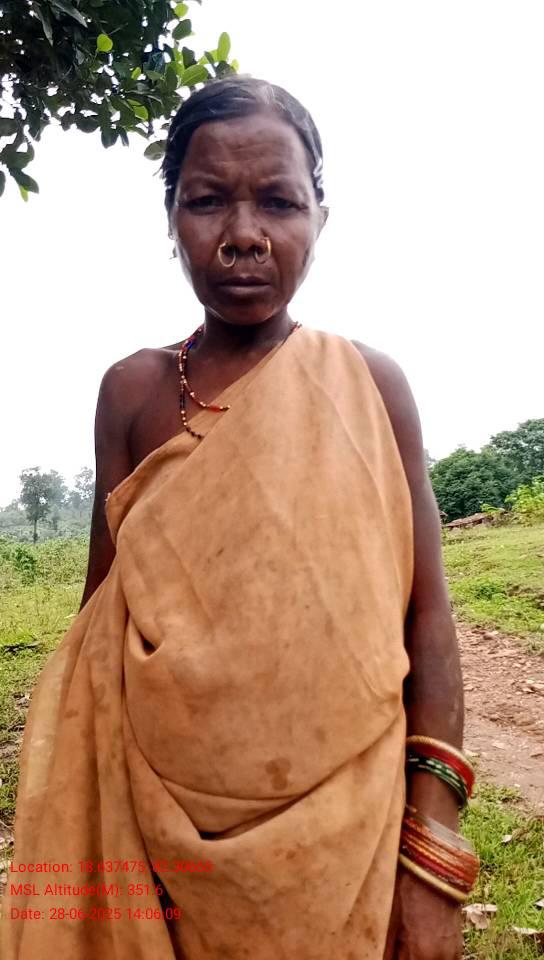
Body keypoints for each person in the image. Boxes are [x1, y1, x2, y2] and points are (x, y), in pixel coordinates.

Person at [3, 76, 478, 960]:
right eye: (207, 201)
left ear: (321, 218)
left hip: (349, 840)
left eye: (279, 202)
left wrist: (431, 856)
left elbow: (427, 617)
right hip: (159, 836)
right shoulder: (133, 395)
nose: (244, 235)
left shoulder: (370, 387)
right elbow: (100, 642)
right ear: (172, 219)